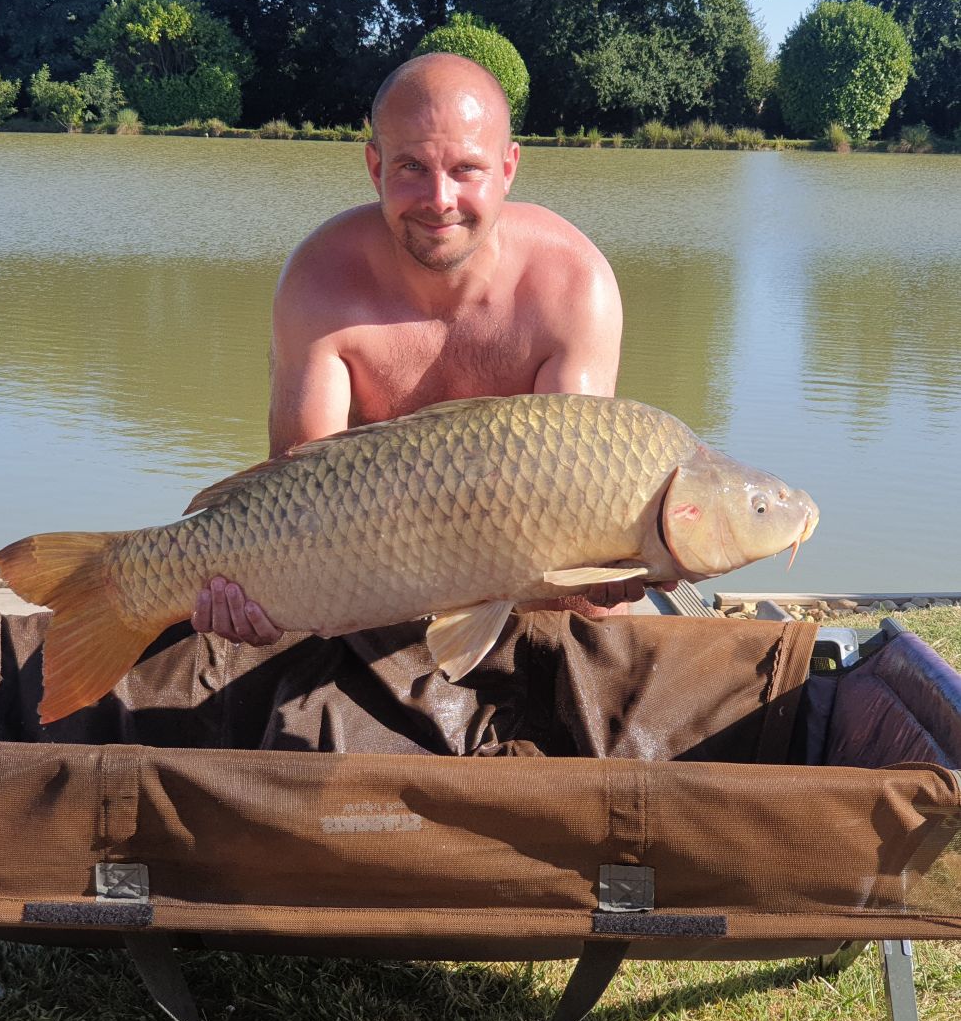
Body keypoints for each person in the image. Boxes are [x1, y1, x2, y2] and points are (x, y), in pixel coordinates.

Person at [192, 52, 671, 646]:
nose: (439, 199)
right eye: (412, 167)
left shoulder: (573, 284)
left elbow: (573, 522)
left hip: (541, 602)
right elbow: (300, 507)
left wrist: (620, 564)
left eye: (467, 169)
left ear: (508, 167)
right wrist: (265, 600)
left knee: (592, 609)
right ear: (375, 166)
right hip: (372, 582)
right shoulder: (319, 282)